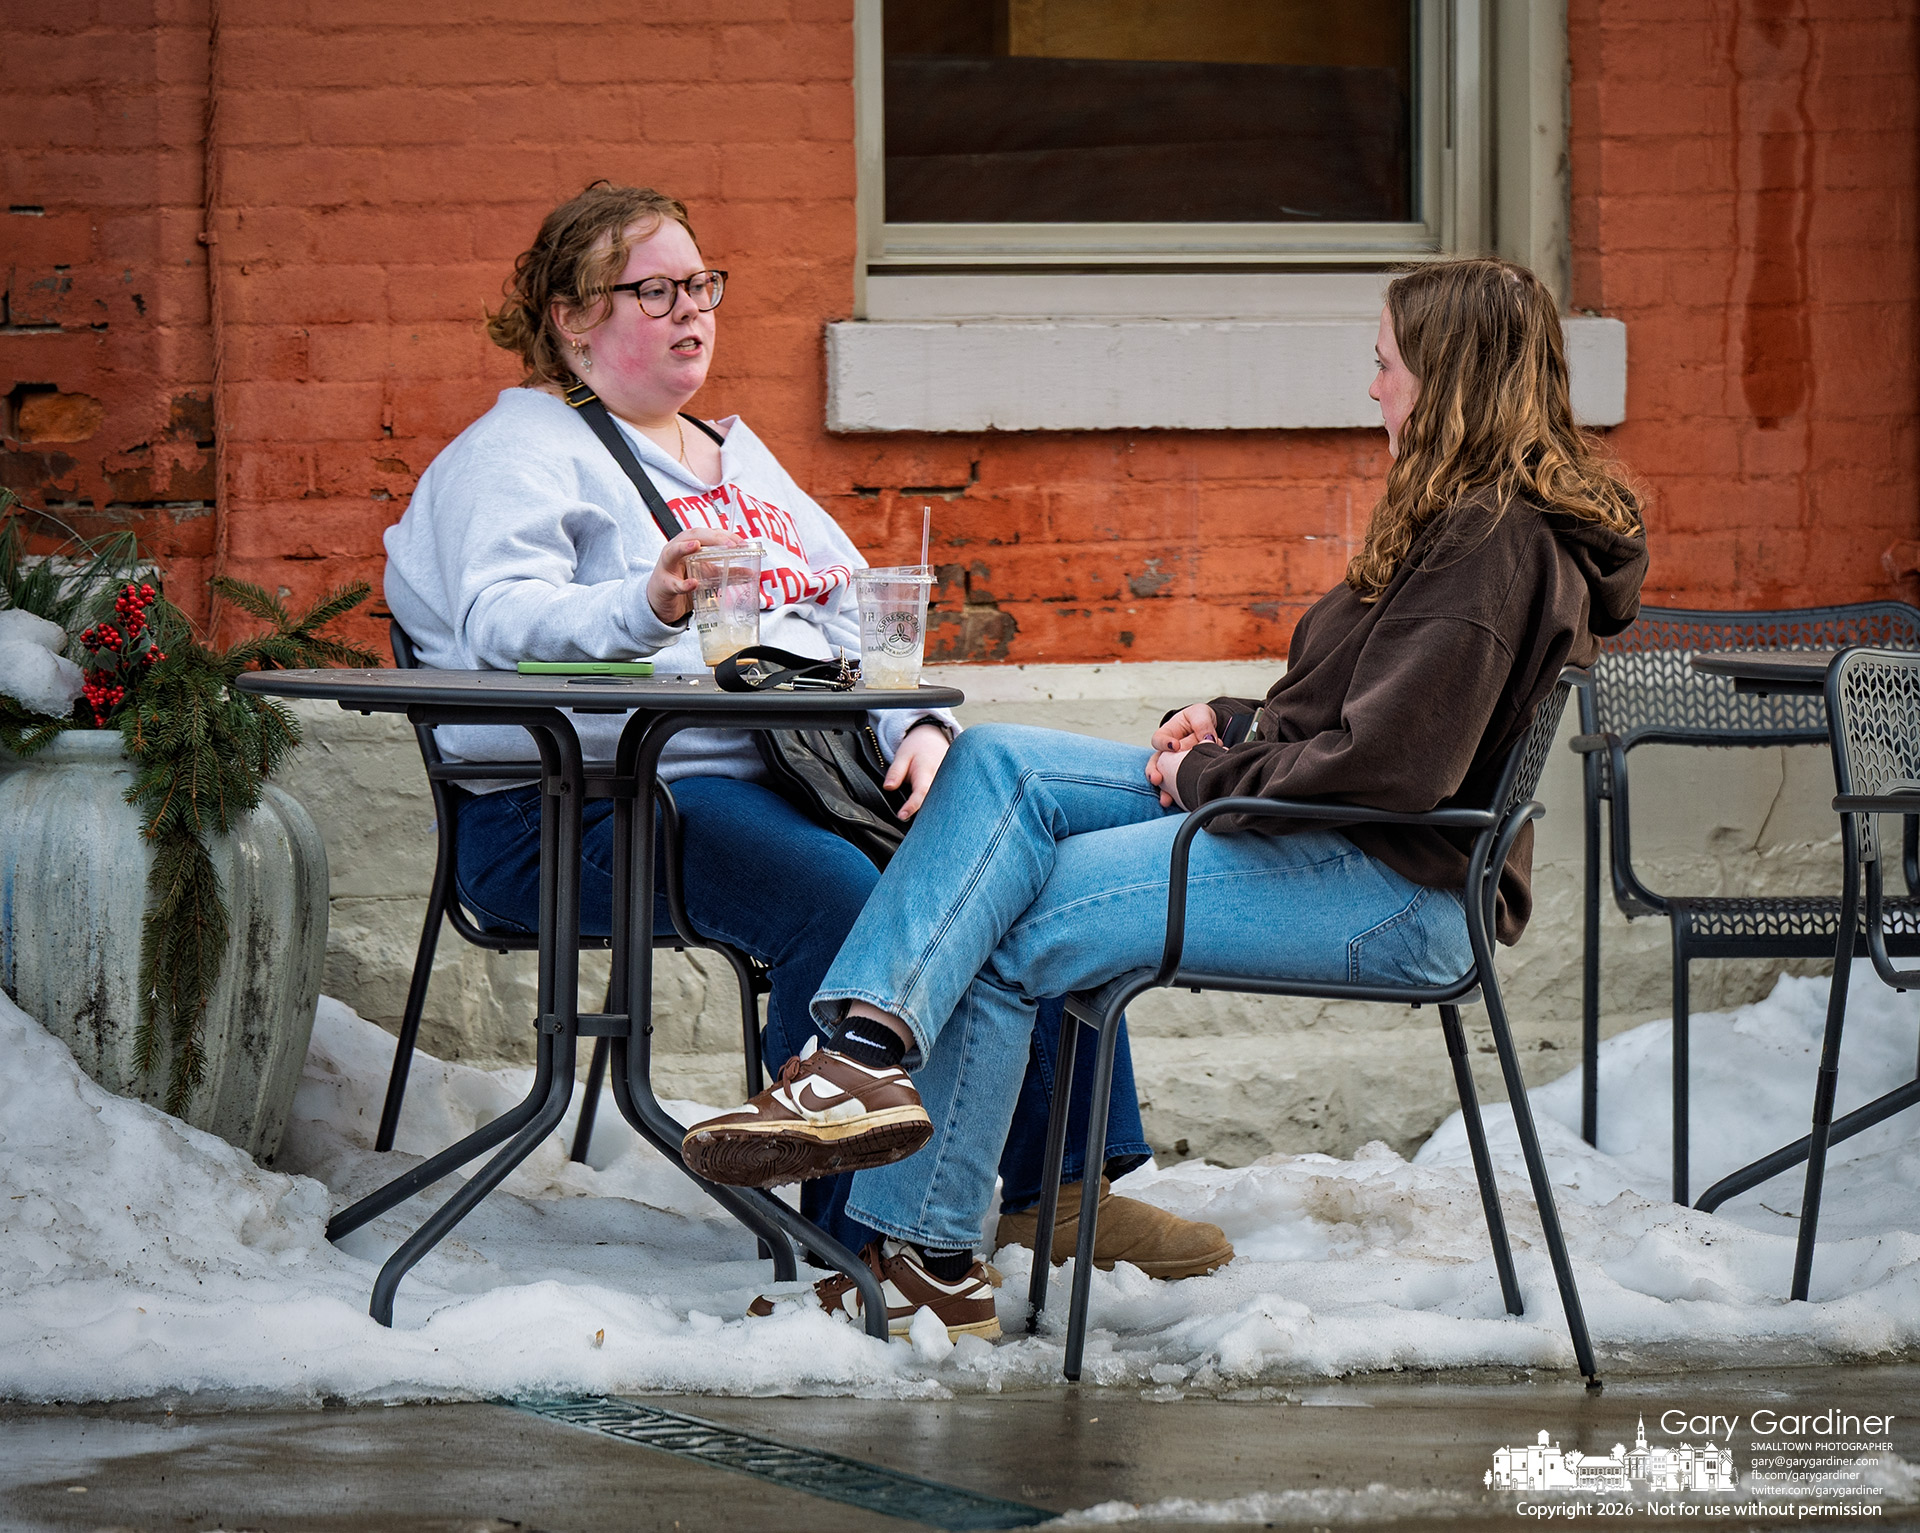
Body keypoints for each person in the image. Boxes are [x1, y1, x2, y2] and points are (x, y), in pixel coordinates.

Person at [684, 256, 1651, 1338]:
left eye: (1387, 365)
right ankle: (860, 1058)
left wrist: (1210, 776)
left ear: (1450, 378)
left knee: (1013, 921)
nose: (1374, 387)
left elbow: (1394, 770)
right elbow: (1364, 713)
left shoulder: (1492, 542)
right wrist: (1233, 724)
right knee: (994, 762)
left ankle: (930, 1260)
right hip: (1340, 837)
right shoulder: (1461, 522)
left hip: (1392, 885)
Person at [380, 183, 1231, 1322]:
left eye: (702, 285)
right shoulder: (520, 451)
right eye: (656, 291)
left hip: (773, 780)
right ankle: (846, 1241)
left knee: (1003, 864)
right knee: (840, 897)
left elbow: (843, 625)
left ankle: (1060, 1188)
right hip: (575, 807)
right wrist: (649, 601)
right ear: (574, 317)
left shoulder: (738, 460)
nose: (692, 311)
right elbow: (499, 619)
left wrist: (916, 733)